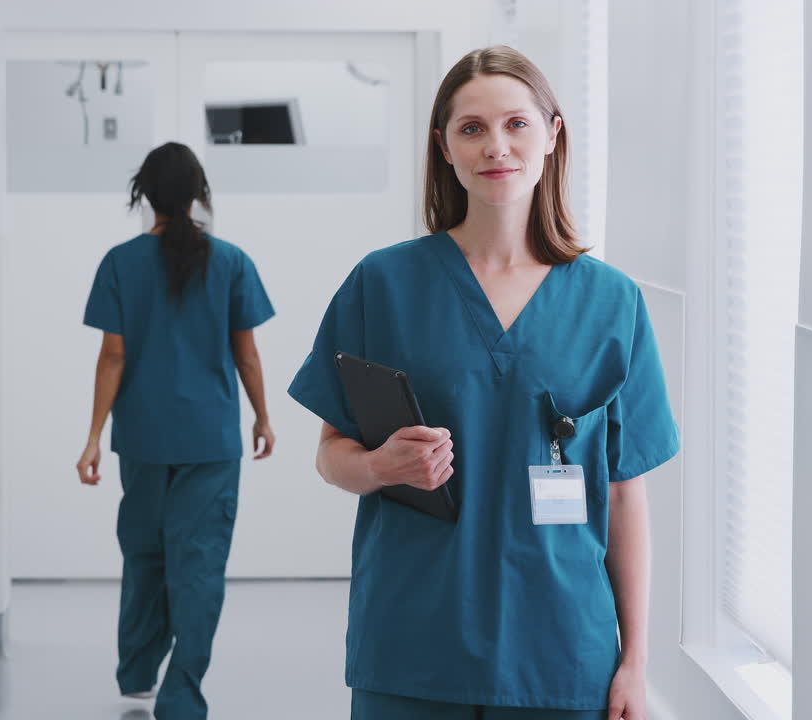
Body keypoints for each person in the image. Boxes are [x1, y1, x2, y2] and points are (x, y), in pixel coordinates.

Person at [288, 46, 678, 720]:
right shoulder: (382, 285)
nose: (496, 146)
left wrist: (635, 663)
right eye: (471, 128)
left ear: (553, 135)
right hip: (413, 644)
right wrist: (380, 465)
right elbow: (332, 456)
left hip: (560, 655)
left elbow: (623, 497)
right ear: (443, 146)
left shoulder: (613, 302)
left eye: (516, 124)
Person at [76, 141, 276, 720]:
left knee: (143, 553)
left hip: (140, 437)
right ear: (197, 196)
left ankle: (138, 673)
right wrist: (262, 417)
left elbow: (111, 357)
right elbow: (248, 355)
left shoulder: (119, 263)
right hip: (211, 440)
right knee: (200, 563)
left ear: (145, 195)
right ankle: (182, 692)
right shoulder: (232, 261)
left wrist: (92, 437)